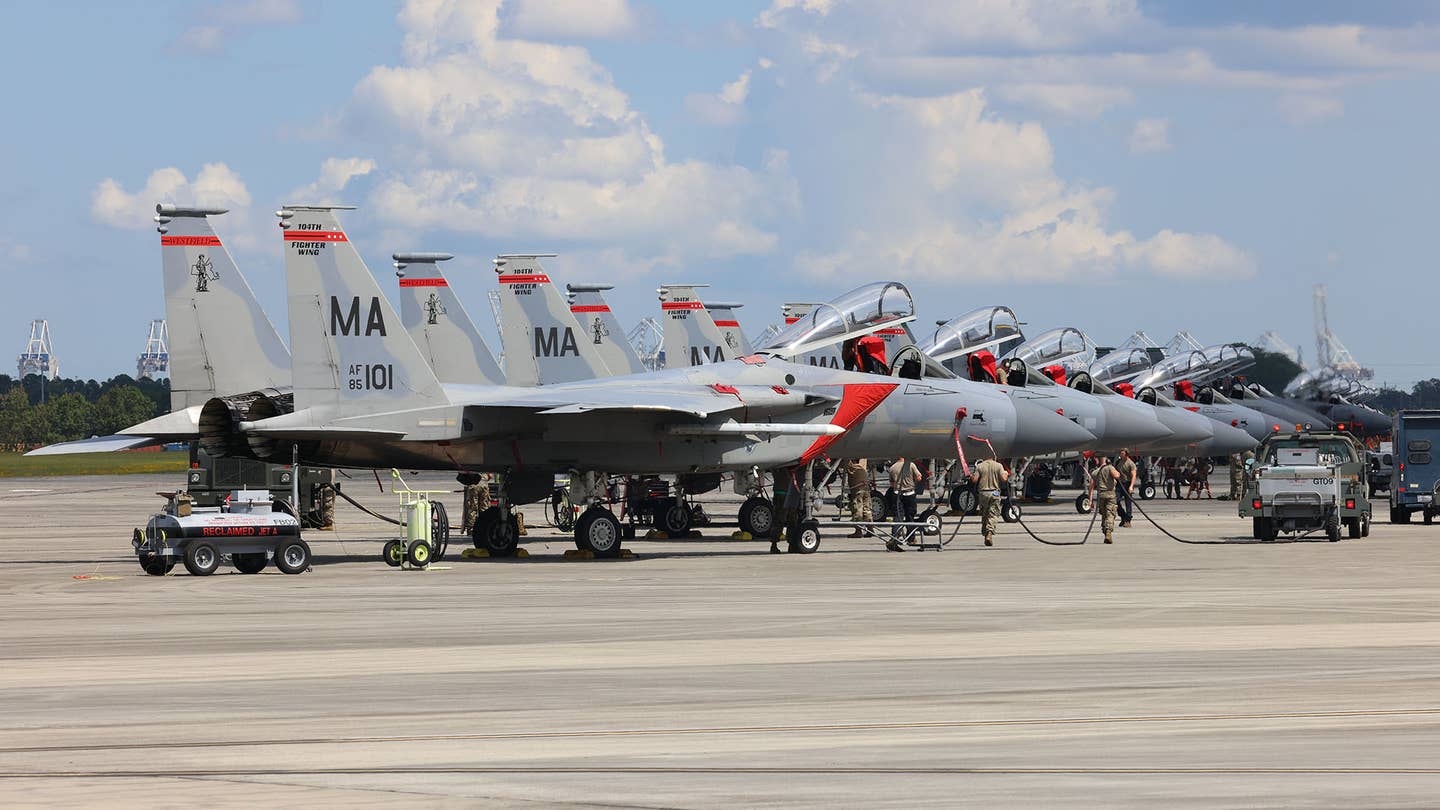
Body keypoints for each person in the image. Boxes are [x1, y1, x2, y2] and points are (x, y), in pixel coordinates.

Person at [970, 455, 1009, 546]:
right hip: (994, 493)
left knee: (984, 514)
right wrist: (1006, 474)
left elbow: (974, 480)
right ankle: (989, 533)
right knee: (993, 514)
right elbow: (1004, 479)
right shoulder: (998, 465)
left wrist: (971, 475)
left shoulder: (980, 466)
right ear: (994, 456)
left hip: (983, 493)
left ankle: (985, 534)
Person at [886, 456, 921, 552]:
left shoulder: (893, 467)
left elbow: (892, 484)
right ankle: (911, 538)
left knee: (898, 516)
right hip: (909, 493)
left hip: (897, 494)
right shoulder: (911, 465)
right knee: (910, 516)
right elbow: (919, 477)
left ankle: (895, 538)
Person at [1088, 455, 1122, 544]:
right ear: (1106, 460)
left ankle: (1105, 531)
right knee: (1110, 514)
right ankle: (1108, 532)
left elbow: (1091, 487)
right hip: (1110, 495)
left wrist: (1090, 501)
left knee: (1104, 514)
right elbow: (1117, 475)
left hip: (1101, 496)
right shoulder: (1110, 468)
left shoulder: (1095, 472)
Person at [844, 458, 872, 536]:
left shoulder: (852, 467)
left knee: (857, 509)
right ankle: (870, 529)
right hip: (866, 489)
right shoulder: (863, 464)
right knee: (867, 508)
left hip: (857, 491)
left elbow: (842, 463)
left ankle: (858, 531)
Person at [1115, 449, 1138, 528]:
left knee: (1128, 503)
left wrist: (1131, 486)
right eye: (1120, 453)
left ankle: (1128, 520)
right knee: (1116, 501)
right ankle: (1123, 516)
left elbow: (1134, 476)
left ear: (1126, 454)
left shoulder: (1131, 464)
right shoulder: (1118, 462)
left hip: (1127, 484)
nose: (1120, 454)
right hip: (1119, 484)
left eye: (1122, 453)